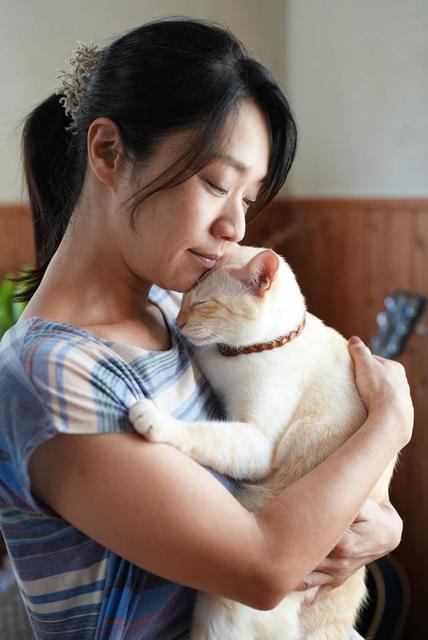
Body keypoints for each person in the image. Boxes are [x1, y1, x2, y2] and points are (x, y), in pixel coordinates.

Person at [0, 17, 411, 640]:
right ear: (108, 151)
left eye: (248, 199)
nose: (236, 228)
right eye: (217, 183)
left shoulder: (172, 309)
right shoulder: (50, 374)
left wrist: (384, 527)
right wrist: (391, 424)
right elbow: (262, 566)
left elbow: (287, 459)